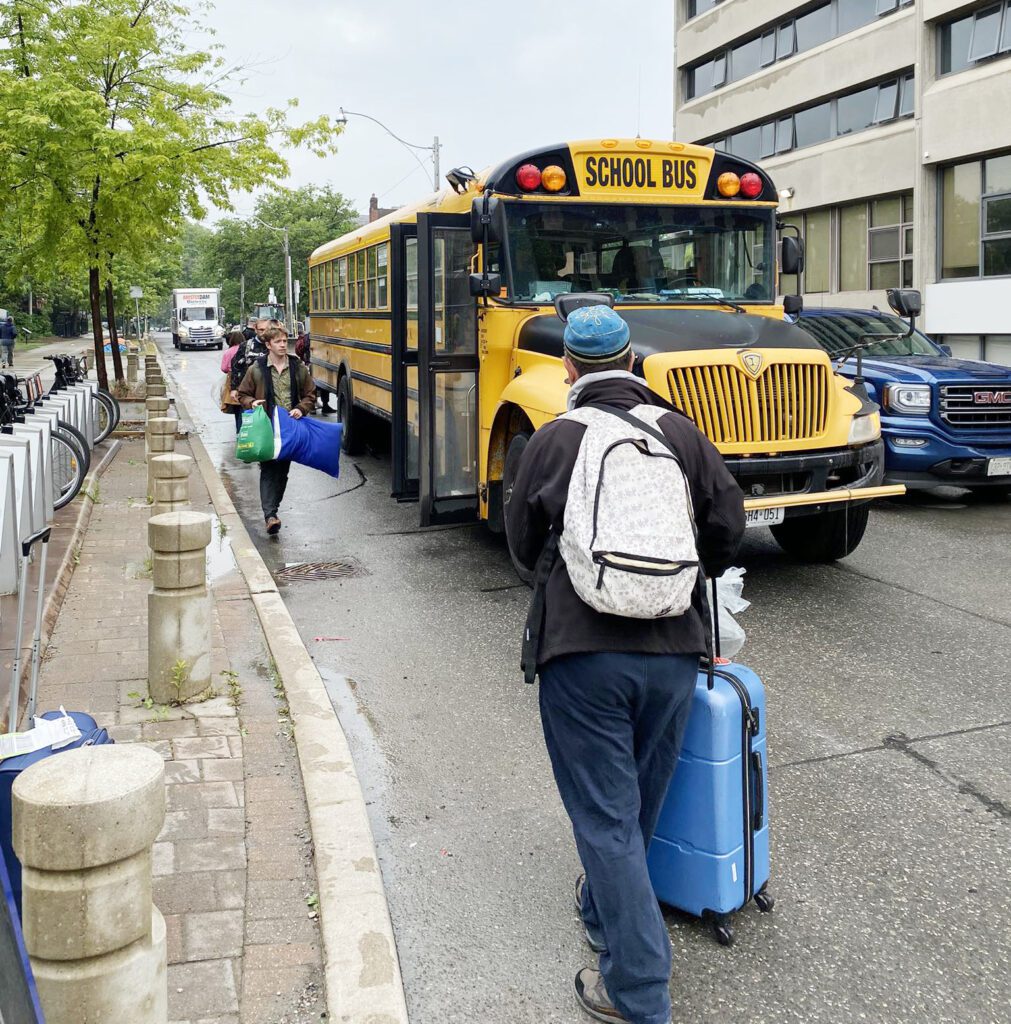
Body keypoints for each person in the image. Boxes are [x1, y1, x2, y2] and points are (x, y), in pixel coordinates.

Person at [505, 305, 745, 1024]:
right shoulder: (678, 433)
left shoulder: (556, 438)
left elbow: (520, 538)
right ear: (633, 364)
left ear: (570, 370)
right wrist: (668, 581)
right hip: (674, 653)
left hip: (581, 659)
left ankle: (637, 993)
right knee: (633, 804)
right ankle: (604, 916)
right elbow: (728, 528)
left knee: (606, 819)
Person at [236, 325, 316, 535]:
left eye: (284, 341)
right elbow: (242, 394)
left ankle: (273, 509)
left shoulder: (297, 367)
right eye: (278, 342)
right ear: (268, 345)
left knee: (282, 471)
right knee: (269, 469)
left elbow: (310, 394)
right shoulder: (257, 368)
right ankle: (270, 515)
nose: (283, 345)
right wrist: (252, 402)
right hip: (267, 427)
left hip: (290, 428)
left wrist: (301, 408)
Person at [219, 329, 246, 432]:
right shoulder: (246, 349)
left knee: (236, 406)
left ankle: (239, 431)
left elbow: (224, 368)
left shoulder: (228, 352)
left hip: (232, 379)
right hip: (246, 378)